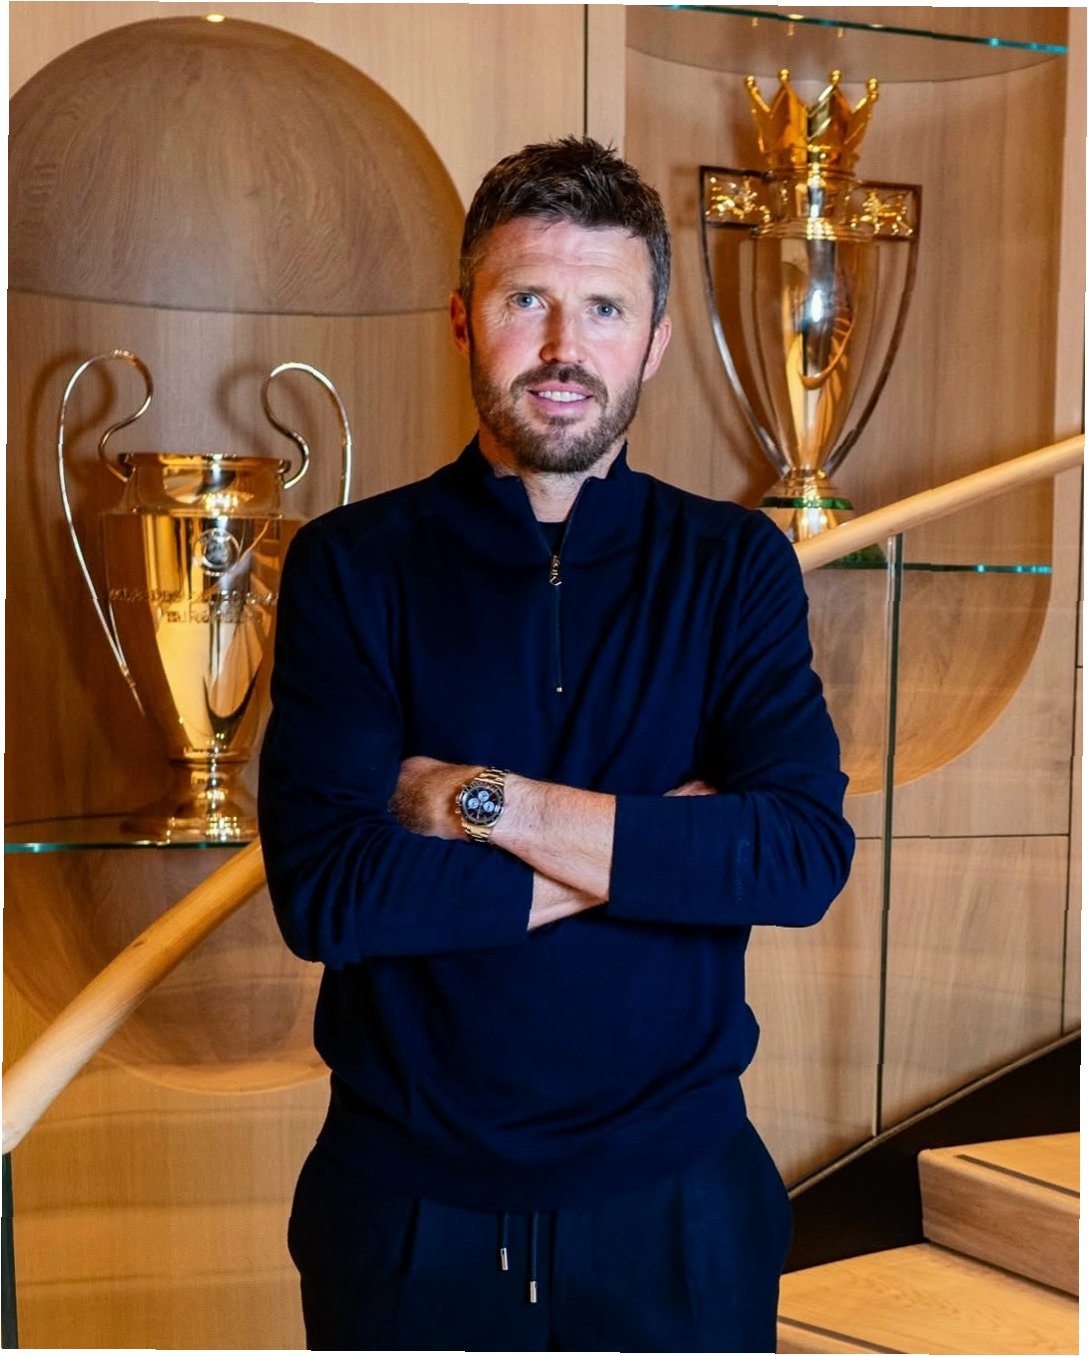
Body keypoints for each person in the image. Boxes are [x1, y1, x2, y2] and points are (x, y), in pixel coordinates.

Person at [258, 135, 854, 1353]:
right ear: (462, 321)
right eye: (524, 300)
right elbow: (329, 894)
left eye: (603, 309)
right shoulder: (350, 566)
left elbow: (797, 858)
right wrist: (660, 852)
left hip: (681, 1209)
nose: (561, 348)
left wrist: (479, 801)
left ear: (655, 340)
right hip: (405, 1214)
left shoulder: (733, 566)